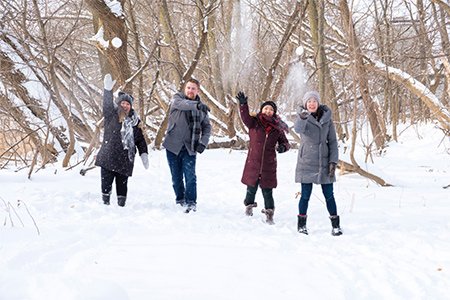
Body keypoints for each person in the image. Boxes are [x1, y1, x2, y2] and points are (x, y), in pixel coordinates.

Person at [236, 91, 290, 225]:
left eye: (271, 109)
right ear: (261, 110)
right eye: (266, 108)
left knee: (267, 191)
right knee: (251, 189)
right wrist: (243, 105)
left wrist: (283, 147)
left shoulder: (277, 128)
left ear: (274, 112)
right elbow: (245, 118)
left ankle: (269, 213)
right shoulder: (254, 123)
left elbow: (286, 143)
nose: (268, 111)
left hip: (268, 165)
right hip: (253, 163)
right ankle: (248, 207)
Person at [95, 74, 149, 207]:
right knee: (106, 183)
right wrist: (108, 90)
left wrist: (144, 154)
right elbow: (107, 105)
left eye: (127, 104)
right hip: (108, 156)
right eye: (122, 103)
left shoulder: (134, 121)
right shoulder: (111, 115)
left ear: (131, 106)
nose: (125, 106)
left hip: (125, 160)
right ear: (119, 104)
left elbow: (140, 140)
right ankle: (105, 203)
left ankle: (121, 206)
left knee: (122, 185)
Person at [294, 91, 343, 236]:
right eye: (309, 101)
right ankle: (301, 225)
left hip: (324, 161)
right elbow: (298, 129)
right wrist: (302, 118)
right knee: (305, 195)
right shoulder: (302, 115)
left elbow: (333, 141)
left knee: (329, 195)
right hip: (307, 161)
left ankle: (336, 226)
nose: (312, 104)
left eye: (314, 101)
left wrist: (333, 161)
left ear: (318, 103)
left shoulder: (327, 118)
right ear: (305, 103)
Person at [163, 78, 211, 213]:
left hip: (190, 147)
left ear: (198, 91)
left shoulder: (202, 108)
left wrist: (203, 142)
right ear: (185, 89)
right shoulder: (177, 99)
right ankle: (180, 200)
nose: (190, 91)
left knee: (190, 177)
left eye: (193, 88)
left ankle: (191, 202)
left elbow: (207, 127)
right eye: (188, 88)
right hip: (173, 145)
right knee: (176, 177)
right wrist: (197, 105)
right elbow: (184, 104)